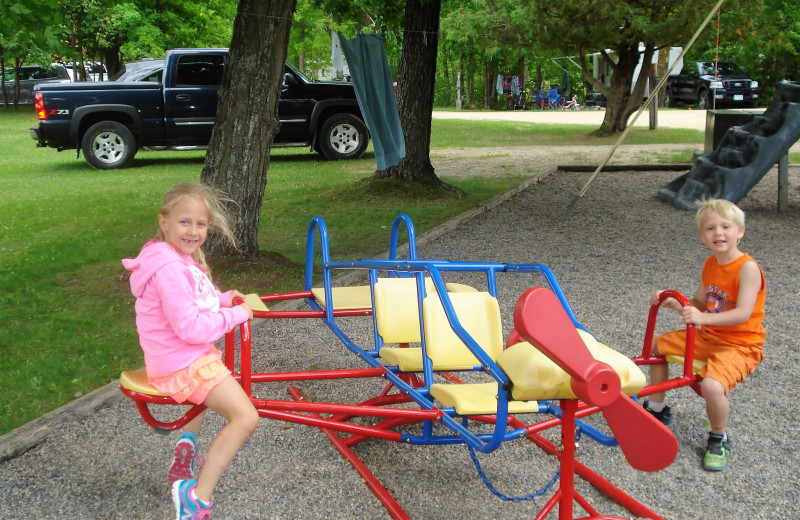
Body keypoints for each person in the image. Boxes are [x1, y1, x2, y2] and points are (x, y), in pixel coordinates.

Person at [122, 182, 259, 518]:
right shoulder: (170, 269)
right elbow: (190, 327)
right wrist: (236, 315)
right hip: (181, 363)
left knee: (220, 379)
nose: (193, 231)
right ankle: (196, 497)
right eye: (185, 222)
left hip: (183, 357)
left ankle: (188, 443)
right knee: (245, 417)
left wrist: (225, 299)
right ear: (164, 221)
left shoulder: (177, 258)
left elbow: (198, 301)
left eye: (200, 224)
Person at [644, 198, 766, 472]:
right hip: (709, 337)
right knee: (656, 347)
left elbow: (743, 313)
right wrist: (677, 303)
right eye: (710, 228)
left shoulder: (747, 268)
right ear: (702, 236)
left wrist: (700, 318)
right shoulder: (711, 263)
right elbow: (700, 304)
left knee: (711, 386)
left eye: (726, 226)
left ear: (740, 231)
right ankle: (657, 408)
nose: (718, 233)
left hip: (740, 344)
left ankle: (718, 436)